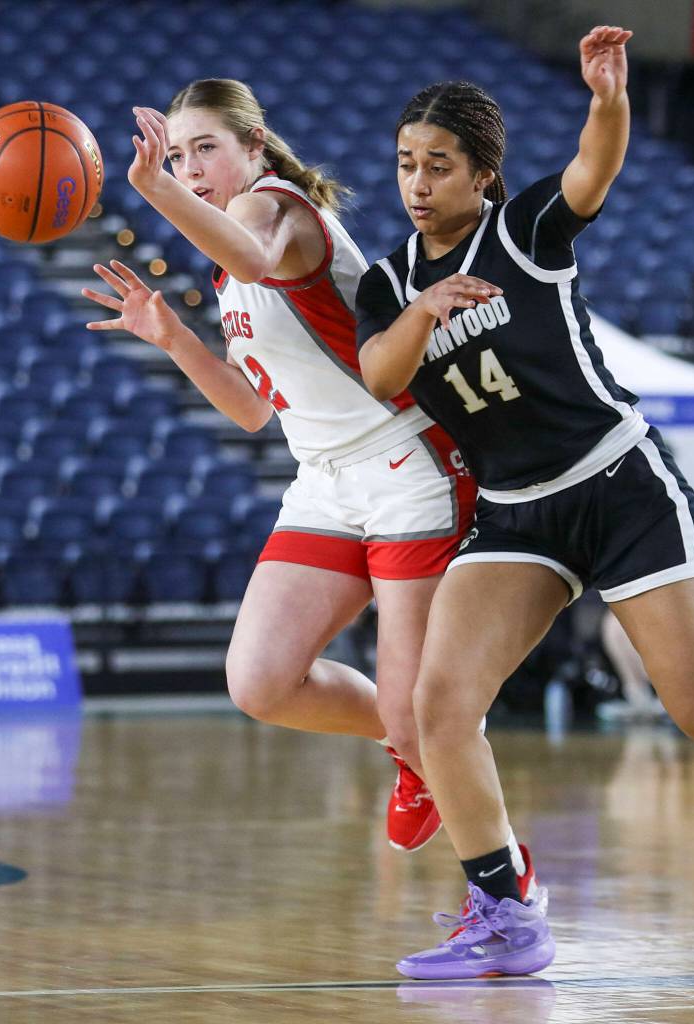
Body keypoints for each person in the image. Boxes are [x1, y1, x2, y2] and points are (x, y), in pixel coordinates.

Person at [354, 27, 694, 980]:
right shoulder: (390, 283)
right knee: (437, 708)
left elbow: (590, 174)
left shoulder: (521, 230)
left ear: (481, 177)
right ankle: (506, 915)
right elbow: (377, 374)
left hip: (620, 485)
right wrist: (424, 311)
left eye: (438, 166)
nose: (417, 182)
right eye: (406, 164)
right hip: (518, 511)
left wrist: (607, 100)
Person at [81, 78, 482, 856]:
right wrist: (171, 337)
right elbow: (251, 411)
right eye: (178, 154)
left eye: (205, 149)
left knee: (416, 713)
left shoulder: (274, 208)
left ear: (253, 147)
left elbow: (254, 252)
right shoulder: (226, 265)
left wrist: (151, 185)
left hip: (406, 462)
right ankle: (419, 741)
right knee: (260, 682)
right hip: (324, 478)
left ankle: (503, 877)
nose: (191, 167)